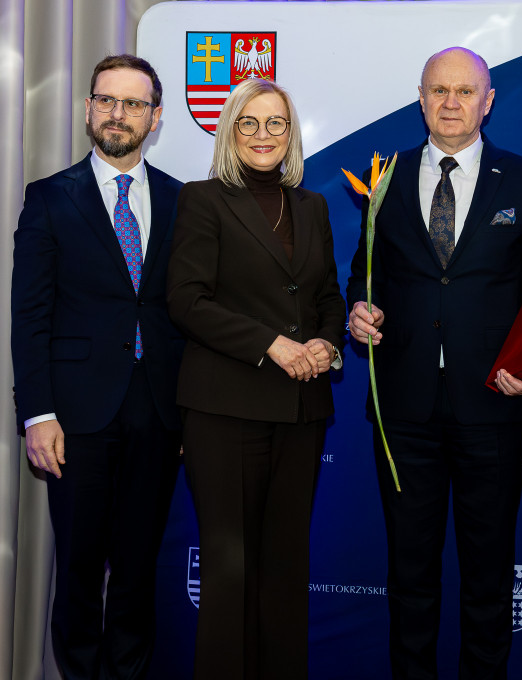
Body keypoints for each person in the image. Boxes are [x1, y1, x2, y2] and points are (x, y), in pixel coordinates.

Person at [346, 46, 522, 679]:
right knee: (409, 576)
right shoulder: (382, 178)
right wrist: (359, 310)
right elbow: (364, 275)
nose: (451, 102)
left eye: (465, 91)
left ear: (487, 102)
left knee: (488, 577)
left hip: (492, 405)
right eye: (439, 90)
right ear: (420, 98)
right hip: (403, 410)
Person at [166, 78, 346, 679]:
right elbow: (187, 301)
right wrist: (270, 343)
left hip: (300, 411)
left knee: (287, 570)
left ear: (291, 133)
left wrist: (327, 342)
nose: (263, 135)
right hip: (225, 410)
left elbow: (326, 296)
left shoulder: (312, 206)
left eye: (276, 123)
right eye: (250, 122)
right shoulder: (202, 200)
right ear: (230, 131)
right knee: (229, 571)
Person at [10, 54, 183, 680]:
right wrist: (38, 415)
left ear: (155, 118)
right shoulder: (49, 198)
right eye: (106, 100)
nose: (118, 113)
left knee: (138, 570)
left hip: (158, 411)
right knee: (80, 571)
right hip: (74, 416)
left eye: (134, 103)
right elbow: (29, 316)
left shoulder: (183, 200)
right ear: (88, 109)